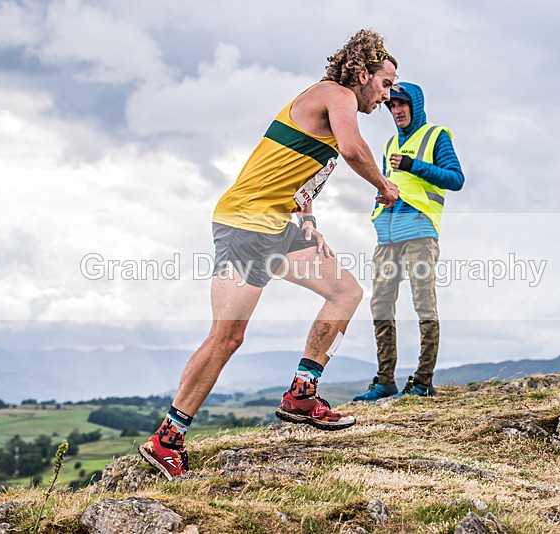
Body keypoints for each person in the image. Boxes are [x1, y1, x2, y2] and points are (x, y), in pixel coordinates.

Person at [139, 30, 400, 481]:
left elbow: (300, 180)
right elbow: (354, 149)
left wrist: (310, 223)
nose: (388, 93)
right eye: (385, 82)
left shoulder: (332, 106)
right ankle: (167, 438)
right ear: (362, 74)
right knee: (227, 337)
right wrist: (383, 186)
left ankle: (302, 393)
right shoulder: (335, 93)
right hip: (245, 224)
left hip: (279, 225)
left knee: (345, 292)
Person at [353, 82, 464, 402]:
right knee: (380, 305)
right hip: (388, 235)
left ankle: (423, 381)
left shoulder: (435, 136)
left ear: (415, 105)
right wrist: (379, 206)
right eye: (391, 105)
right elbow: (393, 184)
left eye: (402, 104)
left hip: (420, 232)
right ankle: (385, 380)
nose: (396, 110)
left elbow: (456, 179)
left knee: (423, 305)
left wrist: (414, 165)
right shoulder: (390, 145)